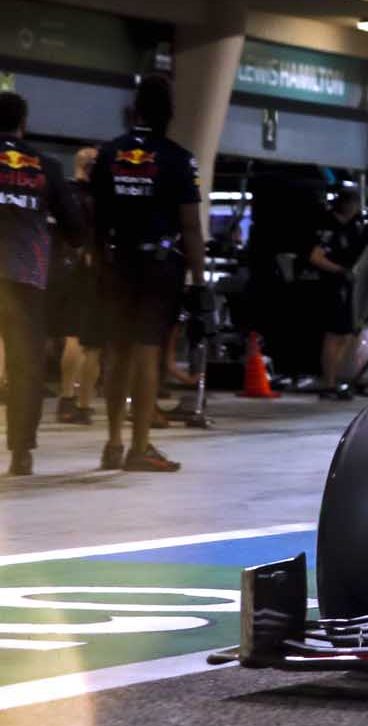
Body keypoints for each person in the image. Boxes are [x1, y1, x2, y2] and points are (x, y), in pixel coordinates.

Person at [91, 75, 207, 473]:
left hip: (117, 263)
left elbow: (96, 218)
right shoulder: (178, 158)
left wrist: (99, 263)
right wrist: (200, 279)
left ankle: (112, 442)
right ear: (168, 114)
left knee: (117, 353)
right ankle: (139, 447)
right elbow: (190, 225)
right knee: (146, 353)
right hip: (158, 266)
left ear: (134, 109)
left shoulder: (108, 154)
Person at [0, 92, 83, 475]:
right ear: (24, 123)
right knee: (24, 367)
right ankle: (21, 451)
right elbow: (75, 227)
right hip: (26, 280)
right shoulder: (46, 167)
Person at [306, 186, 368, 398]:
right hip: (332, 285)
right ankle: (329, 382)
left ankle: (335, 378)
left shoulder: (355, 226)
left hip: (348, 285)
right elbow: (315, 257)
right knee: (333, 334)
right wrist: (340, 271)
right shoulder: (328, 226)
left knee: (345, 334)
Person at [54, 147, 101, 427]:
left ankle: (65, 398)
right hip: (92, 270)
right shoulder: (102, 197)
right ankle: (84, 404)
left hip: (65, 268)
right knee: (92, 344)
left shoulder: (65, 193)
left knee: (71, 337)